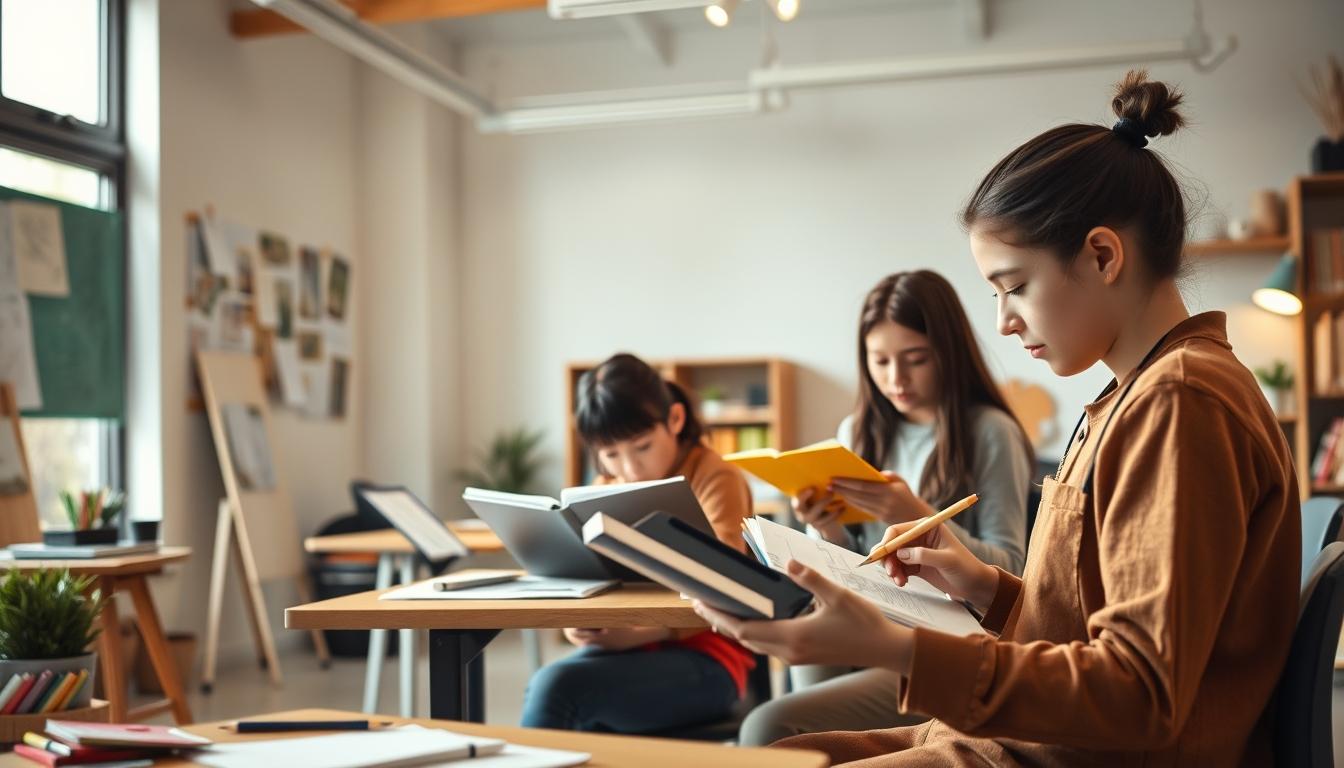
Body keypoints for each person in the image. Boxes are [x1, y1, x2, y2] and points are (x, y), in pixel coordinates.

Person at [697, 70, 1300, 766]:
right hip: (1025, 740)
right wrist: (985, 586)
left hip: (1062, 755)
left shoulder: (1180, 402)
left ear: (1102, 255)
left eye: (1015, 287)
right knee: (771, 750)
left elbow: (1140, 693)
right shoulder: (1135, 396)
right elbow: (1087, 621)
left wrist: (890, 646)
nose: (1005, 323)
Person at [739, 270, 1032, 746]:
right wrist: (826, 528)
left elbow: (1013, 571)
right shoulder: (857, 431)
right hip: (869, 609)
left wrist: (917, 510)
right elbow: (846, 558)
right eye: (880, 361)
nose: (896, 379)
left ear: (948, 354)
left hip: (947, 634)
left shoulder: (989, 432)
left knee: (771, 725)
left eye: (915, 359)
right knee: (803, 626)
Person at [520, 352, 756, 733]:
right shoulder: (600, 490)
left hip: (707, 659)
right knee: (548, 687)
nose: (629, 469)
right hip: (616, 651)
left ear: (675, 420)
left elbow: (726, 585)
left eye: (642, 446)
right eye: (611, 455)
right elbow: (580, 577)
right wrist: (577, 627)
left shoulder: (716, 477)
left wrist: (644, 631)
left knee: (557, 688)